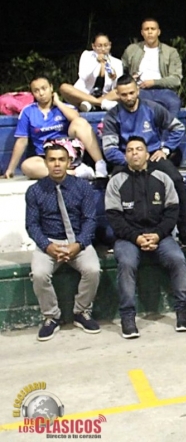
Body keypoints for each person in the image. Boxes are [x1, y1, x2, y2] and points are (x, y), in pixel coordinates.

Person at [105, 136, 186, 339]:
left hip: (160, 235)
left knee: (178, 260)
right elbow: (114, 217)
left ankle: (183, 310)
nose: (134, 153)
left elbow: (173, 211)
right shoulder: (116, 180)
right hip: (128, 239)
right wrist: (136, 237)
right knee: (126, 263)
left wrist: (158, 234)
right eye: (130, 150)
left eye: (139, 149)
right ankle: (127, 316)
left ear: (147, 154)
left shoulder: (162, 178)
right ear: (125, 155)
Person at [102, 74, 186, 244]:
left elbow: (178, 128)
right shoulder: (113, 116)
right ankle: (119, 236)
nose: (128, 97)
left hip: (152, 158)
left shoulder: (152, 108)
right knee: (114, 184)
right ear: (117, 94)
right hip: (126, 161)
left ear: (137, 90)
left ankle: (185, 233)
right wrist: (132, 160)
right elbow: (109, 149)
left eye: (131, 92)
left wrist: (165, 149)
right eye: (123, 94)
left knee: (176, 180)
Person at [25, 144, 101, 341]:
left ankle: (81, 312)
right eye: (52, 160)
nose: (57, 164)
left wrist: (78, 244)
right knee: (40, 274)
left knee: (92, 270)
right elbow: (32, 225)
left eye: (61, 160)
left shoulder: (83, 187)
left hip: (77, 240)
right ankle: (51, 317)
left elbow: (90, 220)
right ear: (46, 163)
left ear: (69, 162)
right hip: (49, 242)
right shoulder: (34, 191)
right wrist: (48, 246)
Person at [3, 75, 108, 180]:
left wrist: (58, 103)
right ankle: (76, 173)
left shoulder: (65, 107)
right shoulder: (28, 111)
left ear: (51, 88)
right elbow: (22, 140)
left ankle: (100, 164)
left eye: (44, 88)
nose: (41, 93)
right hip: (46, 157)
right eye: (36, 90)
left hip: (69, 154)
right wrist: (10, 169)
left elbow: (77, 118)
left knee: (79, 123)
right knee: (27, 166)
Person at [121, 18, 182, 120]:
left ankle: (169, 133)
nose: (149, 32)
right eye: (146, 29)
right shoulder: (132, 49)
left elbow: (176, 80)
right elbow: (121, 70)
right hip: (140, 90)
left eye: (152, 29)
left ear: (158, 32)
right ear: (142, 32)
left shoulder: (170, 52)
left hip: (164, 90)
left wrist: (153, 82)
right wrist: (130, 79)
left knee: (174, 102)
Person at [59, 33, 122, 112]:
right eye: (99, 46)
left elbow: (117, 87)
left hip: (106, 96)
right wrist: (97, 62)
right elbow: (83, 76)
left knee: (122, 90)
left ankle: (92, 104)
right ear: (93, 46)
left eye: (106, 45)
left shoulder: (117, 62)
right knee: (64, 87)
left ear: (110, 45)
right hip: (84, 95)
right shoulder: (86, 55)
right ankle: (99, 103)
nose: (103, 49)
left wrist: (114, 78)